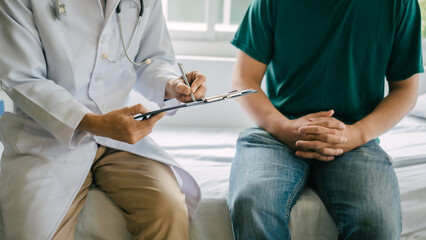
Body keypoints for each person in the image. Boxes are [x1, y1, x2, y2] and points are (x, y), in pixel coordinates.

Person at [0, 0, 206, 239]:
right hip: (49, 135)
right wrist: (92, 122)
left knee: (168, 209)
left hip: (119, 139)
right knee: (36, 233)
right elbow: (23, 79)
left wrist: (172, 85)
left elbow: (152, 59)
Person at [227, 0, 423, 239]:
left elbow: (405, 90)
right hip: (277, 133)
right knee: (252, 203)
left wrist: (355, 134)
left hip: (354, 137)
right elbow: (243, 80)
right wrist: (283, 127)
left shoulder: (399, 4)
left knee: (377, 222)